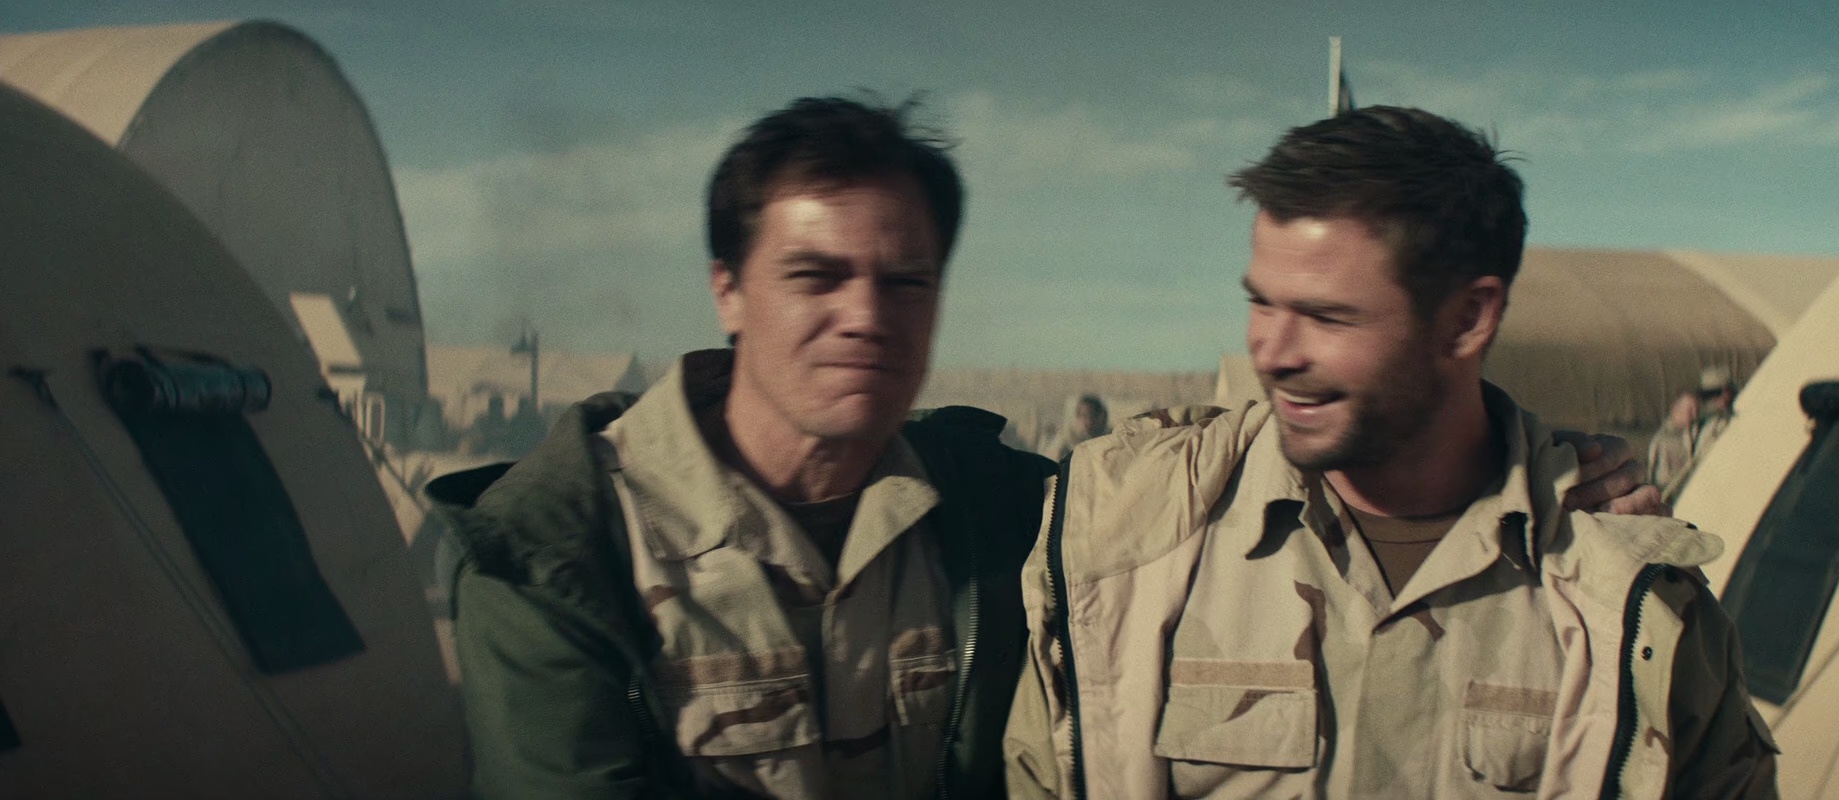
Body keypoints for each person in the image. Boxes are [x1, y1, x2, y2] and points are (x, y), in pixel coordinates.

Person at [428, 96, 1660, 800]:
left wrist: (1551, 469)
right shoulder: (557, 554)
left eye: (905, 279)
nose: (864, 315)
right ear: (726, 289)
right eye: (813, 275)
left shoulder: (1001, 510)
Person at [1004, 107, 1776, 799]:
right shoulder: (1130, 533)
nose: (1271, 351)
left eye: (1327, 316)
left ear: (1467, 319)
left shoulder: (1624, 597)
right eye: (1261, 301)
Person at [1649, 366, 1738, 500]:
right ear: (1676, 409)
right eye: (1708, 395)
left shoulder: (1708, 426)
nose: (1694, 415)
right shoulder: (1664, 440)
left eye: (1695, 410)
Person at [1044, 394, 1111, 460]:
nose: (1088, 422)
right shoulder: (1066, 441)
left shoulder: (1110, 440)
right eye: (1084, 416)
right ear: (1077, 417)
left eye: (1093, 416)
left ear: (1101, 417)